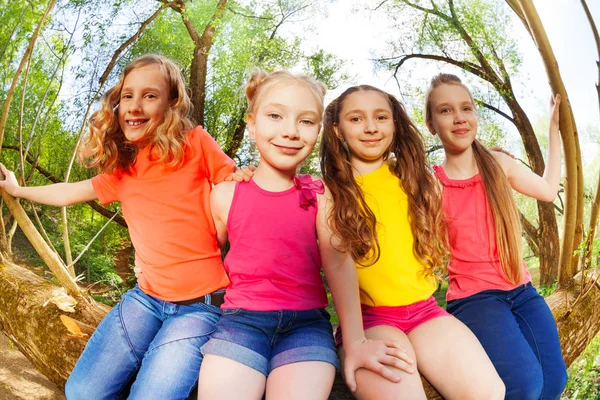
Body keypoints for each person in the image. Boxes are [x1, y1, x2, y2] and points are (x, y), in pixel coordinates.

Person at [0, 54, 251, 400]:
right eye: (128, 96)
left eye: (150, 96)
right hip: (145, 299)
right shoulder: (124, 169)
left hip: (200, 305)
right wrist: (17, 189)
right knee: (82, 391)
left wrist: (249, 177)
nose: (134, 105)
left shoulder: (196, 142)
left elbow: (234, 186)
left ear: (171, 103)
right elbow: (69, 193)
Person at [197, 70, 413, 400]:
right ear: (252, 123)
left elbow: (339, 265)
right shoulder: (225, 195)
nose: (290, 132)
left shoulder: (320, 195)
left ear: (319, 131)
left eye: (306, 121)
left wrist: (355, 342)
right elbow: (208, 259)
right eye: (275, 116)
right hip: (240, 324)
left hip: (306, 328)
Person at [320, 84, 505, 399]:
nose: (370, 127)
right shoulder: (327, 192)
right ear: (337, 129)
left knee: (490, 392)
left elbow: (466, 178)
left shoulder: (417, 181)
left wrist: (498, 161)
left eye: (381, 117)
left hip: (426, 312)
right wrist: (355, 343)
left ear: (394, 124)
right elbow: (337, 265)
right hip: (371, 320)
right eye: (356, 119)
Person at [425, 73, 568, 400]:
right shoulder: (431, 184)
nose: (459, 117)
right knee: (524, 384)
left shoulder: (499, 164)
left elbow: (547, 190)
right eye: (445, 111)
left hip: (522, 290)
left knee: (554, 382)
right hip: (476, 299)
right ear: (431, 124)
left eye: (466, 108)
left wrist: (554, 131)